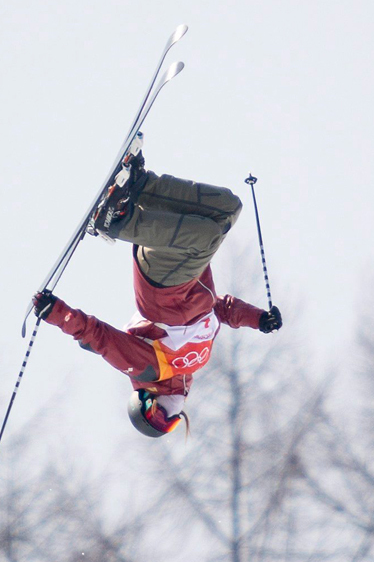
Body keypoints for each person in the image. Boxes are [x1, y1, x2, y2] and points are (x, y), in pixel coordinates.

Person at [31, 149, 282, 438]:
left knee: (208, 238)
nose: (170, 414)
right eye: (172, 422)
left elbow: (98, 337)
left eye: (158, 415)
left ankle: (116, 222)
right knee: (227, 209)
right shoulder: (193, 361)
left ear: (146, 401)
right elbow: (219, 310)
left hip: (163, 287)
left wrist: (57, 314)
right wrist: (260, 319)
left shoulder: (148, 371)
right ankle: (140, 186)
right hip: (179, 261)